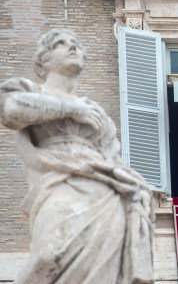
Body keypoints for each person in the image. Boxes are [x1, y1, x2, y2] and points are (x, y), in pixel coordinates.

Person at [0, 29, 155, 284]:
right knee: (49, 254)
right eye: (60, 44)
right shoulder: (31, 90)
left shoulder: (98, 113)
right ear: (44, 61)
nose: (71, 47)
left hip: (106, 194)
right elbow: (10, 109)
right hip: (57, 186)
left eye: (76, 44)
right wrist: (71, 109)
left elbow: (112, 158)